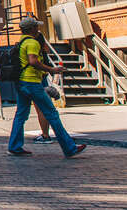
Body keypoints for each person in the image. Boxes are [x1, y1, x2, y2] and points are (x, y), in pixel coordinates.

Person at [7, 17, 86, 158]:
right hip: (32, 83)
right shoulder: (32, 43)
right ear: (32, 29)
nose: (38, 29)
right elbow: (33, 61)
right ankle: (69, 148)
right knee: (52, 114)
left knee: (21, 115)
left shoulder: (21, 43)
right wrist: (51, 69)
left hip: (21, 83)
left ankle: (14, 146)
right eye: (36, 27)